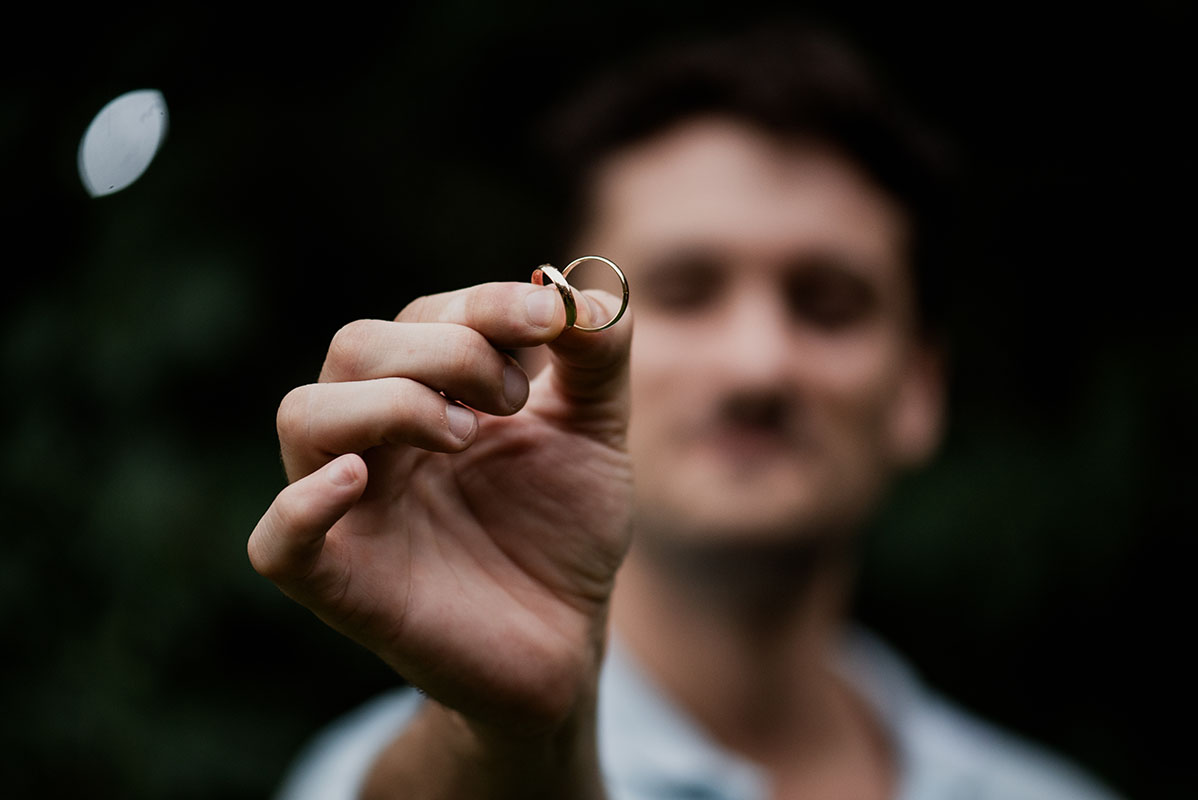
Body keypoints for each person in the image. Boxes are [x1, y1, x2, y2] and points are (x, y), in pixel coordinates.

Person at [248, 25, 1120, 800]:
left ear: (919, 389)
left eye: (829, 304)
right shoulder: (375, 779)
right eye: (686, 291)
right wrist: (517, 753)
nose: (758, 365)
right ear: (556, 337)